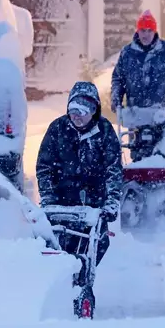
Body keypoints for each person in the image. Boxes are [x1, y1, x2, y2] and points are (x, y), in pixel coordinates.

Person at [36, 81, 122, 271]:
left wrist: (111, 202)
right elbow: (44, 167)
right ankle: (61, 277)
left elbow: (113, 170)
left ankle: (83, 278)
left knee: (97, 243)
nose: (77, 115)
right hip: (61, 200)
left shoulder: (105, 132)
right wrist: (48, 197)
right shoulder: (57, 129)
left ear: (94, 111)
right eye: (73, 109)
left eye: (83, 111)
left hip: (94, 202)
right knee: (60, 244)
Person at [110, 9, 165, 160]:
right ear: (138, 30)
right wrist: (116, 99)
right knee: (139, 161)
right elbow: (118, 79)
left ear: (155, 31)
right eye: (142, 30)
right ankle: (137, 180)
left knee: (164, 157)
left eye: (149, 30)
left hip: (162, 115)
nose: (145, 34)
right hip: (136, 117)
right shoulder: (127, 54)